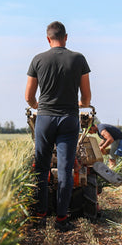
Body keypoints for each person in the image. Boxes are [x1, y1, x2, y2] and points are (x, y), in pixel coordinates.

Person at [25, 21, 92, 232]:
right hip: (68, 119)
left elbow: (28, 97)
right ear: (66, 37)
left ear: (48, 38)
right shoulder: (78, 59)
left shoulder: (37, 59)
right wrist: (78, 104)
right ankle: (62, 220)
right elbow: (87, 98)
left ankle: (40, 215)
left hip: (44, 119)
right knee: (65, 170)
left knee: (41, 168)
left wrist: (39, 106)